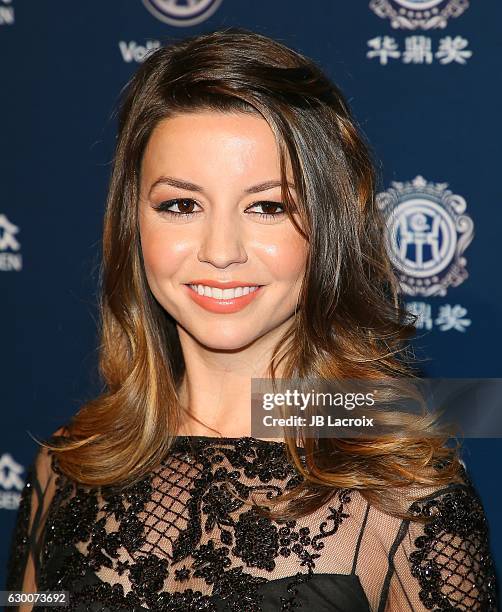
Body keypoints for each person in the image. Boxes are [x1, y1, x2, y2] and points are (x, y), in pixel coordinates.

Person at [6, 27, 498, 611]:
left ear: (329, 231)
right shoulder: (66, 466)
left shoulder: (404, 494)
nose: (220, 249)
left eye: (267, 206)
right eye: (181, 205)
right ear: (134, 223)